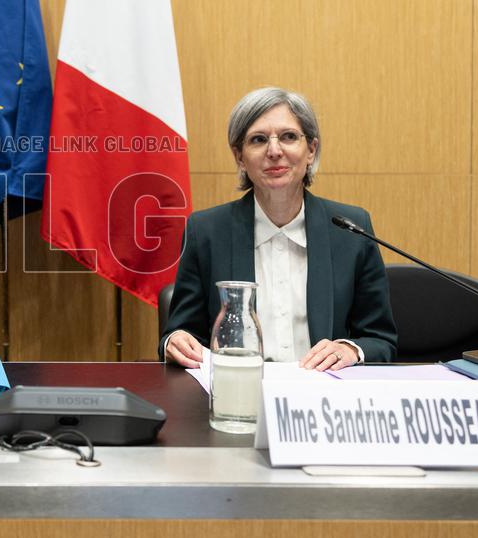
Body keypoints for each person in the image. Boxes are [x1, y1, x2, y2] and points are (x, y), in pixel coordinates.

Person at [159, 87, 397, 370]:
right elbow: (180, 332)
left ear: (311, 150)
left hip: (323, 398)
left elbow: (381, 339)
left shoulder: (351, 231)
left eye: (288, 137)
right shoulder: (207, 232)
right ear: (239, 157)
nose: (274, 151)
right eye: (258, 140)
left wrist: (349, 349)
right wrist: (176, 340)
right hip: (239, 394)